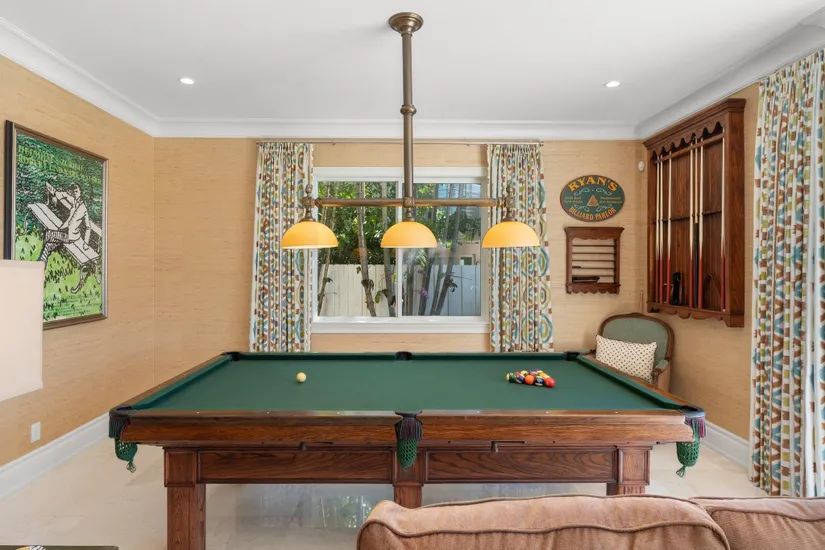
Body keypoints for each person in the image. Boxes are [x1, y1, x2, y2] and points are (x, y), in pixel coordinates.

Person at [38, 182, 93, 281]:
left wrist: (86, 243)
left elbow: (88, 227)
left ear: (81, 192)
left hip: (71, 236)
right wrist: (54, 193)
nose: (74, 193)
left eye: (76, 191)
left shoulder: (83, 208)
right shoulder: (74, 201)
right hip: (64, 232)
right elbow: (64, 195)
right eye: (73, 191)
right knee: (48, 246)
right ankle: (39, 271)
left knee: (48, 234)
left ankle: (40, 268)